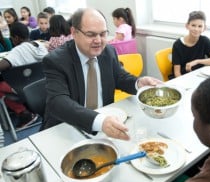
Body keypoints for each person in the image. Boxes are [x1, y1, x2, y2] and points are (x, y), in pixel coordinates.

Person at [42, 8, 161, 140]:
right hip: (67, 127)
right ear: (74, 32)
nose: (98, 40)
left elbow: (119, 77)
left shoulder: (108, 52)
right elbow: (58, 102)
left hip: (105, 123)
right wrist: (99, 121)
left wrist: (138, 83)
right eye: (91, 34)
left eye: (103, 34)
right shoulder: (56, 60)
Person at [0, 22, 48, 128]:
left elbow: (2, 65)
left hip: (25, 90)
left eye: (12, 38)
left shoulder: (18, 51)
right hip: (44, 87)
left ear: (16, 38)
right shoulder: (40, 45)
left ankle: (24, 113)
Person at [171, 11, 210, 79]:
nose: (196, 29)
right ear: (187, 26)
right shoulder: (178, 44)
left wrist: (197, 61)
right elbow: (177, 73)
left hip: (197, 76)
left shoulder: (204, 40)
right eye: (193, 25)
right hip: (183, 78)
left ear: (204, 28)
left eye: (200, 26)